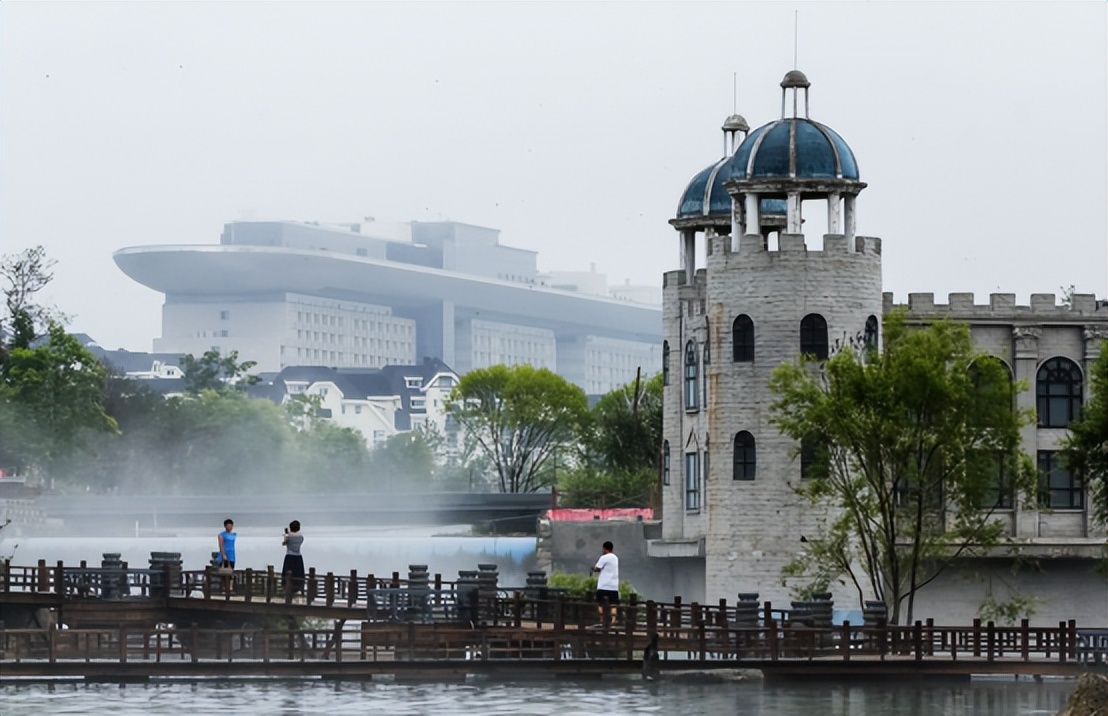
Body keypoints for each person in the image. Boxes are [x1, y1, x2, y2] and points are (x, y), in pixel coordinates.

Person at [591, 540, 620, 628]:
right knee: (613, 605)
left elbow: (597, 568)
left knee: (600, 603)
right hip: (614, 586)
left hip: (603, 585)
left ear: (604, 549)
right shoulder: (615, 558)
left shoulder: (603, 558)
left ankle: (602, 620)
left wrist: (593, 568)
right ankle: (613, 621)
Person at [281, 520, 305, 599]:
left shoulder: (289, 536)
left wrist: (286, 535)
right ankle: (297, 590)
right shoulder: (301, 537)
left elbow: (284, 543)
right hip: (298, 556)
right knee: (298, 574)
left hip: (289, 556)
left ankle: (287, 590)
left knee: (287, 574)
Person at [217, 518, 236, 594]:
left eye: (231, 526)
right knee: (224, 573)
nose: (230, 527)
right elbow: (221, 545)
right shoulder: (221, 535)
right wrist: (223, 554)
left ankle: (230, 588)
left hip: (232, 555)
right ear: (225, 526)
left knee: (231, 571)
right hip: (224, 554)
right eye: (228, 526)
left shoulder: (234, 534)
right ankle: (224, 588)